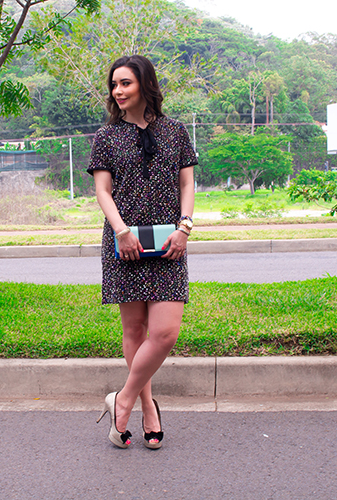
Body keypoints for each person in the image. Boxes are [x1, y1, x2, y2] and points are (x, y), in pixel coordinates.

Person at [89, 55, 197, 449]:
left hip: (170, 242)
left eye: (125, 84)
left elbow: (187, 185)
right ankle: (148, 410)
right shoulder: (106, 138)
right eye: (114, 85)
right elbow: (103, 191)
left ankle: (123, 398)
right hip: (124, 244)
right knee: (134, 330)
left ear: (145, 86)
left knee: (165, 332)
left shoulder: (176, 131)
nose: (118, 92)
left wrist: (185, 227)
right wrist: (120, 232)